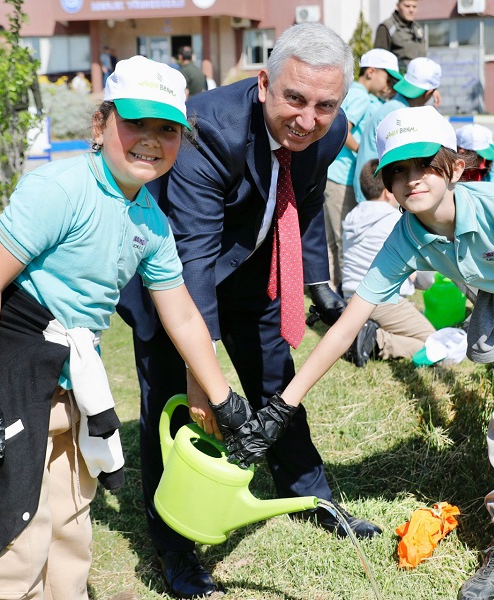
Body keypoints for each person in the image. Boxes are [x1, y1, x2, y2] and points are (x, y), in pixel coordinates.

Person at [219, 105, 494, 600]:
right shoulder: (407, 236)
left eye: (424, 165)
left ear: (454, 168)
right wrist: (281, 408)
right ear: (386, 183)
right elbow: (349, 321)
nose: (413, 180)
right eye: (399, 171)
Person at [0, 56, 249, 600]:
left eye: (168, 129)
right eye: (136, 123)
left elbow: (182, 312)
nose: (151, 140)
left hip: (70, 377)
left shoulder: (150, 221)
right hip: (7, 371)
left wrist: (223, 396)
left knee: (70, 521)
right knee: (17, 539)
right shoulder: (60, 189)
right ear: (101, 124)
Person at [114, 23, 383, 599]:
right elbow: (191, 256)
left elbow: (305, 207)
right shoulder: (208, 129)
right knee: (174, 402)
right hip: (174, 280)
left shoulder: (329, 133)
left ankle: (313, 498)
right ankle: (175, 547)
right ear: (263, 84)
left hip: (254, 272)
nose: (308, 120)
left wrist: (318, 286)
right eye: (294, 99)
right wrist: (202, 378)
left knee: (274, 380)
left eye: (324, 105)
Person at [340, 158, 435, 366]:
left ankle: (367, 330)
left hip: (350, 298)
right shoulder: (394, 221)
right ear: (387, 191)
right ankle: (376, 341)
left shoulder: (351, 217)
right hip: (384, 300)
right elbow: (419, 276)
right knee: (435, 346)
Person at [325, 48, 401, 291]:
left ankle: (330, 288)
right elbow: (342, 130)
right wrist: (362, 151)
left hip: (336, 175)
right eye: (387, 79)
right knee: (344, 237)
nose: (389, 86)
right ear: (371, 72)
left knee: (334, 238)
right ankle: (344, 294)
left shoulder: (354, 94)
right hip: (341, 176)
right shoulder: (359, 96)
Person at [353, 56, 441, 203]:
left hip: (369, 188)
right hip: (379, 194)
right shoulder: (402, 115)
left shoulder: (394, 105)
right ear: (429, 92)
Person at [374, 0, 441, 107]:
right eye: (407, 6)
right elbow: (379, 62)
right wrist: (385, 88)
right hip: (397, 89)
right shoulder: (387, 27)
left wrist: (432, 88)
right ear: (397, 6)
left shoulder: (418, 29)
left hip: (417, 90)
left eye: (414, 7)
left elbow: (424, 63)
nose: (411, 10)